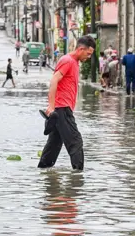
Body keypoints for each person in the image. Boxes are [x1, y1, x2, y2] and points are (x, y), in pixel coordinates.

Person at [37, 35, 96, 171]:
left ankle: (43, 170)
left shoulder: (74, 62)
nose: (88, 57)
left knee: (54, 144)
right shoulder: (68, 61)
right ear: (81, 49)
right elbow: (54, 81)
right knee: (76, 142)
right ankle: (78, 177)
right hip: (62, 109)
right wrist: (51, 106)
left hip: (61, 110)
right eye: (88, 54)